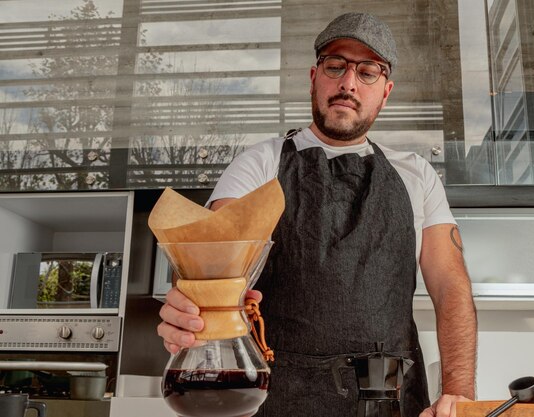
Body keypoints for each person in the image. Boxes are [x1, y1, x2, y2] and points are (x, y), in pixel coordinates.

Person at [158, 12, 477, 417]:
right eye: (336, 66)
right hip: (282, 399)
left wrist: (460, 393)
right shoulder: (260, 164)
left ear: (386, 91)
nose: (348, 83)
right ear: (314, 77)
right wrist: (190, 304)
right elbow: (210, 266)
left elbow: (451, 288)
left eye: (367, 72)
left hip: (389, 399)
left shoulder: (416, 174)